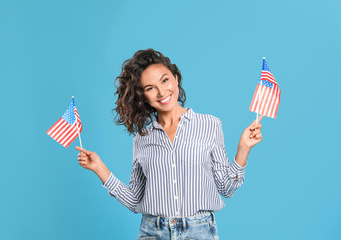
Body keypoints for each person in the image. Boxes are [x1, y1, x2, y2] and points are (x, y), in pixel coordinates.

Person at [75, 49, 263, 240]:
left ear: (175, 79)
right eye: (150, 88)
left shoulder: (210, 125)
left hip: (199, 232)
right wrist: (99, 168)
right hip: (152, 232)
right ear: (143, 96)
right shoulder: (142, 138)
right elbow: (135, 201)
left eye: (164, 80)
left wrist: (243, 149)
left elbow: (226, 189)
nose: (161, 92)